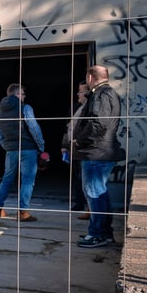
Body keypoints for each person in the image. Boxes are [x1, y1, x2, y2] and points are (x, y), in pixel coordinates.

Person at [73, 65, 124, 248]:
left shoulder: (101, 94)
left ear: (89, 77)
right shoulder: (108, 93)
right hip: (101, 151)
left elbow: (98, 123)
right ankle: (104, 233)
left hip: (96, 151)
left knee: (94, 192)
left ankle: (97, 234)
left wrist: (79, 140)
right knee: (100, 192)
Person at [0, 83, 45, 222]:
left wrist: (8, 147)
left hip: (11, 151)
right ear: (16, 94)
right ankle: (23, 212)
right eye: (22, 93)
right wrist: (41, 147)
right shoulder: (25, 108)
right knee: (27, 181)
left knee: (7, 179)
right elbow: (34, 129)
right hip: (28, 149)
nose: (24, 96)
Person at [61, 81, 89, 218]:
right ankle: (79, 203)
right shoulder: (75, 108)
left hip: (85, 149)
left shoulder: (91, 108)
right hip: (74, 147)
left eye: (81, 91)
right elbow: (68, 128)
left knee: (86, 178)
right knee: (77, 176)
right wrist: (64, 145)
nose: (78, 94)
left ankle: (90, 207)